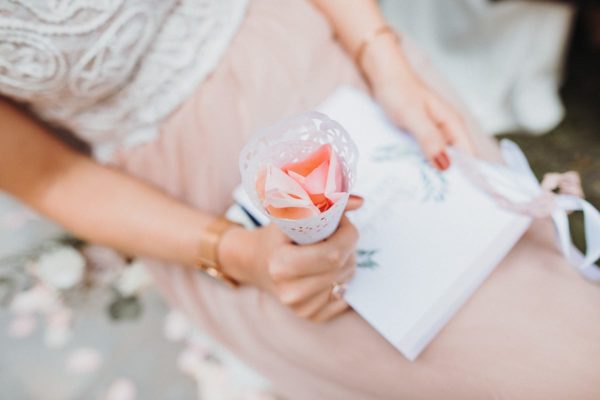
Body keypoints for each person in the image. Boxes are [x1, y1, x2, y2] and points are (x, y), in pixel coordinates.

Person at [0, 0, 598, 398]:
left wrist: (381, 56)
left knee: (528, 284)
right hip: (195, 203)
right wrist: (239, 256)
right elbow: (50, 178)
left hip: (328, 56)